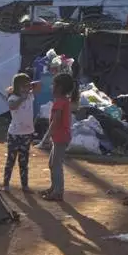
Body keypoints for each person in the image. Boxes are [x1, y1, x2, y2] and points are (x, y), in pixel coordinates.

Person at [42, 72, 75, 202]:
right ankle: (54, 188)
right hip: (60, 137)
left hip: (60, 138)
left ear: (59, 88)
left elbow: (56, 121)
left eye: (53, 85)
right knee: (52, 164)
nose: (51, 87)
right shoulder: (64, 101)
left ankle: (58, 192)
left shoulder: (60, 102)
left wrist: (46, 136)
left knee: (56, 165)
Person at [4, 73, 39, 192]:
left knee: (24, 161)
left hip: (27, 133)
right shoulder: (13, 98)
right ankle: (6, 183)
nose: (26, 88)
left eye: (27, 86)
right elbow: (12, 106)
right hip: (15, 134)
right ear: (17, 87)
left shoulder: (30, 96)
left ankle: (25, 185)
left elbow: (39, 86)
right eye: (23, 86)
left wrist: (31, 86)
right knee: (11, 160)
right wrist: (21, 98)